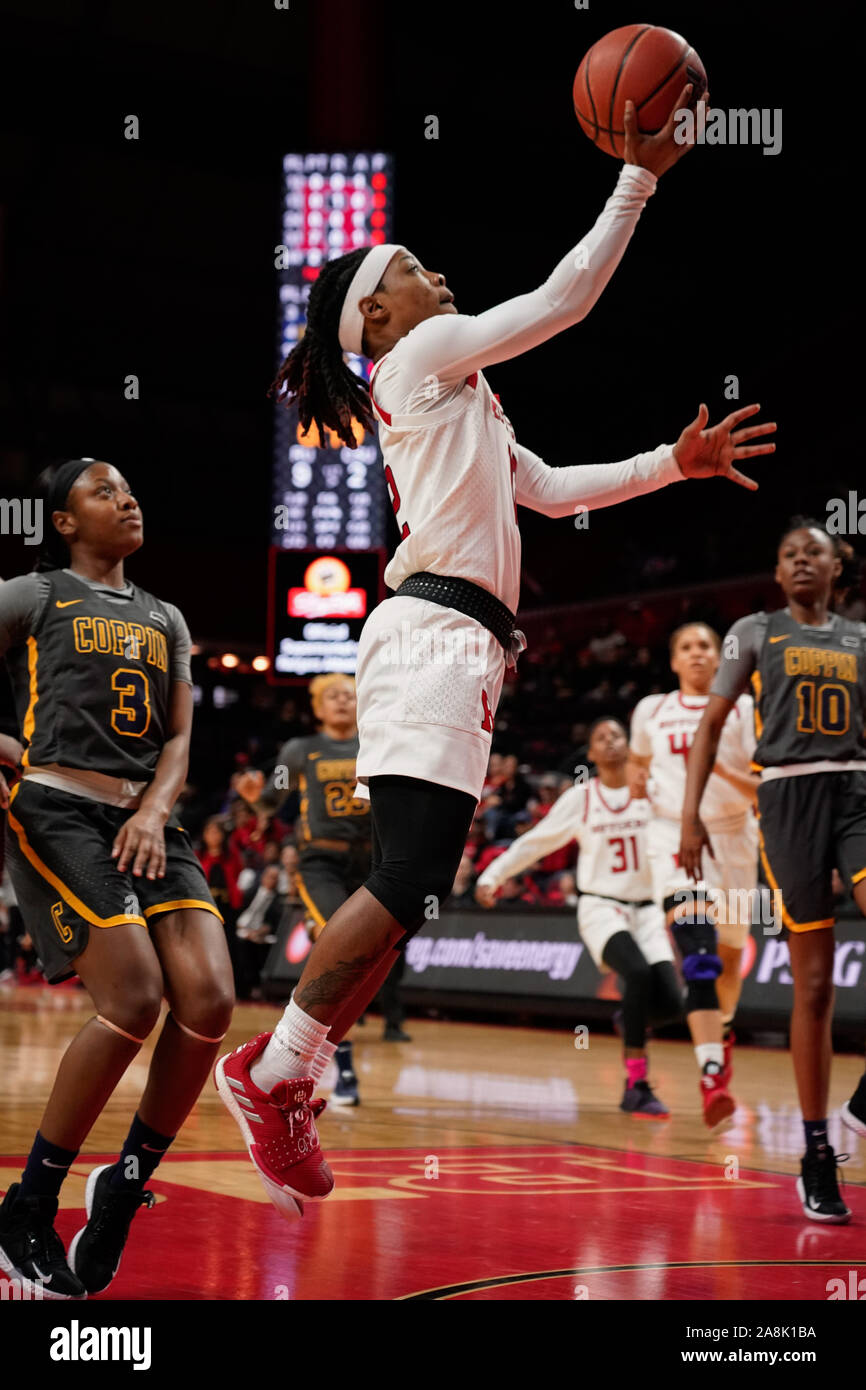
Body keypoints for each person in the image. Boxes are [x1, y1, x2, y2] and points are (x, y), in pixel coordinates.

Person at [214, 88, 777, 1222]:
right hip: (430, 633)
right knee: (407, 876)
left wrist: (667, 462)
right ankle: (271, 1070)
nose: (435, 275)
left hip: (459, 643)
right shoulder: (417, 358)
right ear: (376, 316)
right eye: (412, 265)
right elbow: (562, 299)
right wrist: (638, 174)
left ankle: (287, 1070)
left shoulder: (455, 388)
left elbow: (549, 488)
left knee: (412, 883)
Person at [0, 458, 233, 1297]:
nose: (128, 497)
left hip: (146, 820)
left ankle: (123, 1187)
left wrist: (153, 810)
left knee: (208, 1000)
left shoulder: (166, 616)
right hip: (58, 808)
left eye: (131, 487)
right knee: (133, 998)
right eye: (103, 490)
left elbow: (178, 736)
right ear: (62, 521)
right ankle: (28, 1204)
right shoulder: (32, 595)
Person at [681, 519, 866, 1222]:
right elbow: (709, 723)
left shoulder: (860, 639)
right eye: (787, 553)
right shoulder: (753, 631)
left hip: (853, 789)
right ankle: (818, 1151)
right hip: (787, 799)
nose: (798, 562)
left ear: (836, 567)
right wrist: (689, 814)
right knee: (813, 987)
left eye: (812, 553)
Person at [477, 718, 681, 1117]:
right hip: (602, 907)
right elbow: (537, 842)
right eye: (600, 737)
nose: (609, 742)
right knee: (636, 974)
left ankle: (631, 1016)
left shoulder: (652, 792)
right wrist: (493, 874)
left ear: (630, 744)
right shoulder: (582, 799)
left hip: (650, 910)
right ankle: (636, 1084)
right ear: (590, 754)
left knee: (674, 1005)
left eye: (617, 735)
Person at [628, 623, 759, 1127]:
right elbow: (639, 764)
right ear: (674, 661)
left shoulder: (742, 708)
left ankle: (721, 1034)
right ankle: (710, 1076)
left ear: (719, 656)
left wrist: (711, 766)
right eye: (686, 647)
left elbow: (758, 788)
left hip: (734, 839)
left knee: (727, 962)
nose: (698, 653)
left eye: (706, 645)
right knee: (699, 953)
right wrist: (641, 780)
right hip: (672, 836)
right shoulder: (651, 710)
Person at [233, 673, 374, 1106]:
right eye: (332, 695)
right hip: (321, 863)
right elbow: (273, 800)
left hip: (374, 861)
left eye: (349, 695)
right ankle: (341, 1066)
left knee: (370, 957)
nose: (342, 701)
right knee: (342, 949)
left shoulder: (377, 740)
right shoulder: (297, 750)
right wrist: (257, 798)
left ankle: (298, 1044)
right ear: (316, 707)